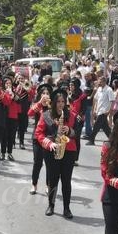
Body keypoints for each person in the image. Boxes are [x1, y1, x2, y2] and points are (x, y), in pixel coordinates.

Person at [35, 89, 78, 218]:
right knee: (52, 180)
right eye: (58, 102)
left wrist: (70, 130)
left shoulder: (71, 115)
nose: (61, 104)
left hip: (68, 151)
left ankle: (66, 208)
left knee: (66, 181)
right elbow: (39, 133)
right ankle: (51, 205)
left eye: (63, 102)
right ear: (54, 103)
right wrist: (49, 143)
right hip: (51, 150)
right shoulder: (46, 115)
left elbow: (77, 134)